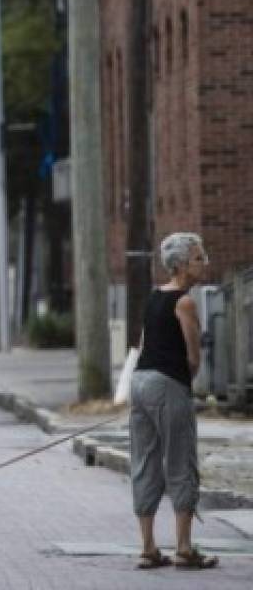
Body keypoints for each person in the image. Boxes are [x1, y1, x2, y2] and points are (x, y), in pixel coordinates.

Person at [129, 232, 217, 570]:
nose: (204, 263)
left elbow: (145, 342)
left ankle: (148, 547)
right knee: (181, 461)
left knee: (145, 460)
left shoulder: (154, 297)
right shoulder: (186, 302)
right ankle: (183, 547)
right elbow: (193, 359)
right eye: (198, 258)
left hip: (140, 382)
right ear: (180, 266)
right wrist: (180, 386)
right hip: (168, 385)